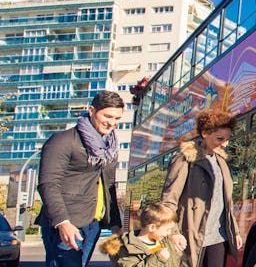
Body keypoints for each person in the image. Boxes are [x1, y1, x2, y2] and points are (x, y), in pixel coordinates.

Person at [37, 90, 124, 267]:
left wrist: (115, 223)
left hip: (93, 224)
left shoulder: (109, 149)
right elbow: (48, 184)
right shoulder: (63, 141)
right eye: (107, 116)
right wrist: (63, 222)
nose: (112, 123)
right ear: (91, 111)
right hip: (67, 222)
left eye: (117, 119)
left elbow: (109, 186)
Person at [162, 109, 242, 267]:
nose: (225, 144)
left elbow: (227, 202)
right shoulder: (185, 160)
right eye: (220, 138)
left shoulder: (222, 163)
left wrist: (235, 232)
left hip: (219, 236)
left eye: (227, 139)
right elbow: (168, 201)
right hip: (192, 234)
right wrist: (173, 233)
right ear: (205, 133)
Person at [100, 202, 182, 267]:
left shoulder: (165, 242)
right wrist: (158, 258)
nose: (169, 233)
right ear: (152, 227)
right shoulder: (127, 248)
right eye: (167, 229)